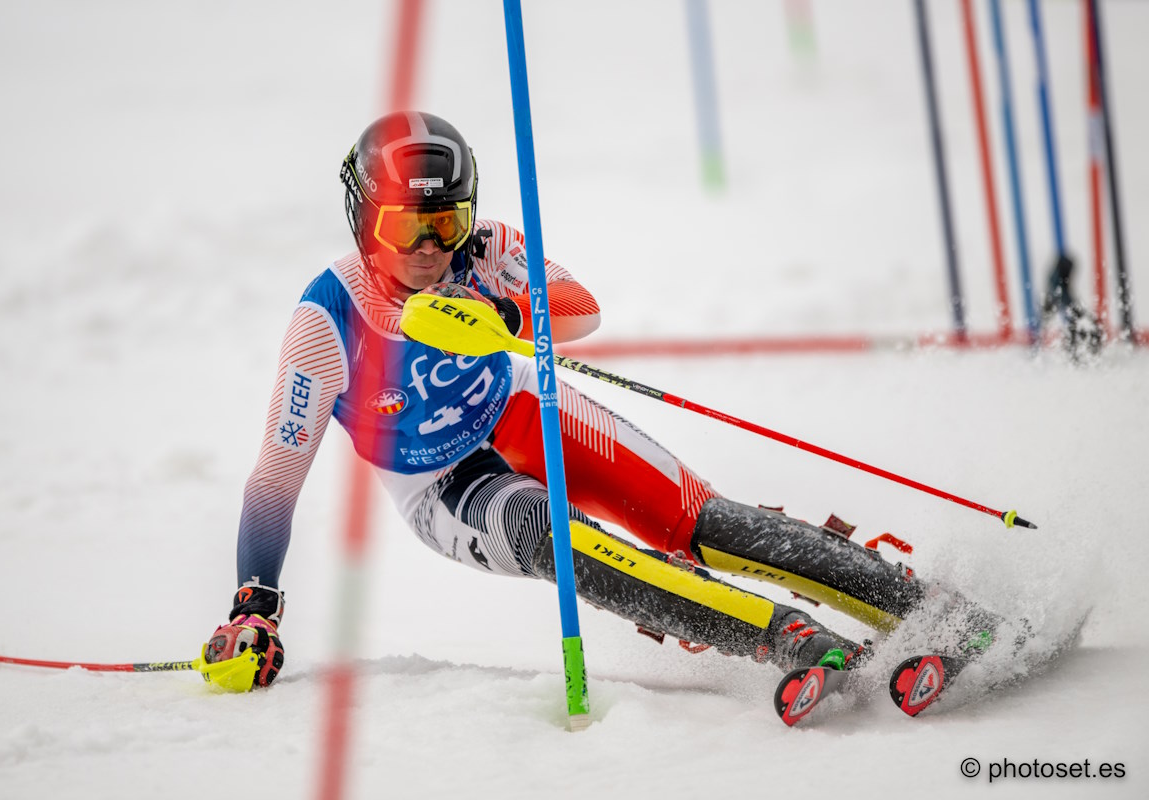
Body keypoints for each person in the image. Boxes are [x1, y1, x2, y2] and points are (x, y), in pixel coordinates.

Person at [203, 111, 995, 690]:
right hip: (443, 487)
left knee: (702, 522)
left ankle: (928, 610)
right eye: (404, 227)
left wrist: (507, 316)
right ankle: (789, 639)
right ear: (363, 220)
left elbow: (582, 308)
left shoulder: (489, 253)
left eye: (446, 223)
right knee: (562, 540)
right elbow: (276, 479)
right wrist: (256, 606)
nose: (429, 249)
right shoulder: (326, 321)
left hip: (519, 411)